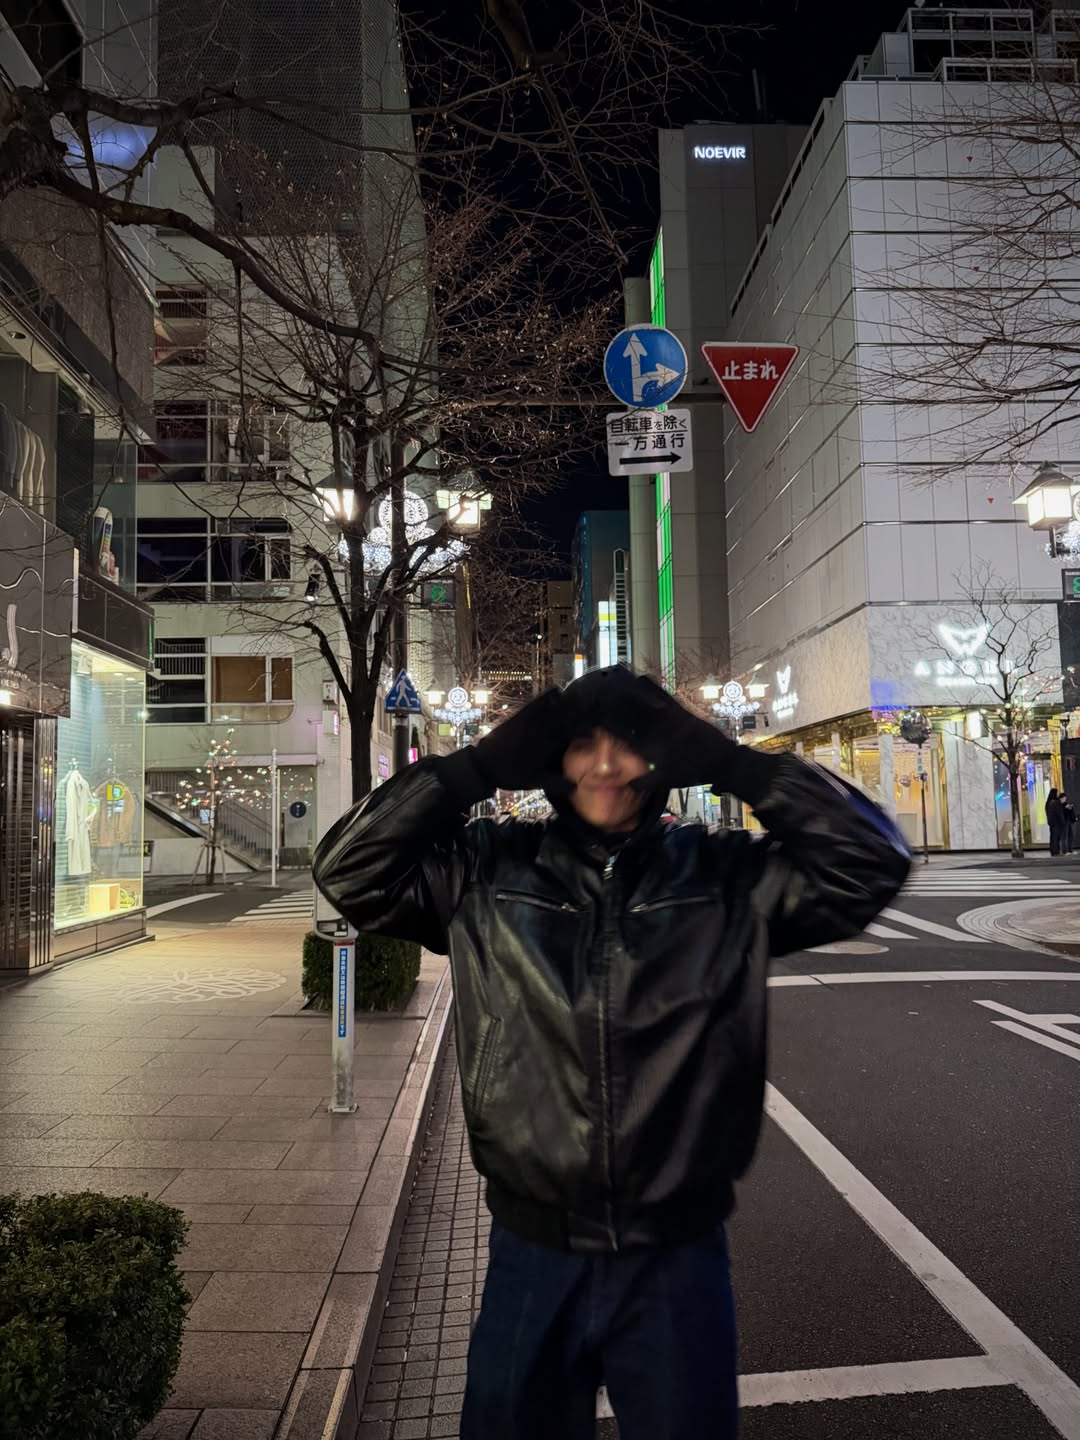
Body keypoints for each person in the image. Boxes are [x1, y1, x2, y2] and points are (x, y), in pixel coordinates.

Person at [313, 667, 910, 1440]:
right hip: (532, 1253)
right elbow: (349, 869)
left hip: (676, 1258)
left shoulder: (724, 874)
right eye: (581, 745)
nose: (604, 765)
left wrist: (737, 763)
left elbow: (870, 863)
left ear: (664, 759)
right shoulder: (488, 868)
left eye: (628, 744)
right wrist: (472, 770)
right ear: (550, 760)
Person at [1046, 788, 1065, 856]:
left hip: (1051, 822)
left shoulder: (1048, 802)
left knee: (1052, 837)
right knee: (1056, 837)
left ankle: (1053, 850)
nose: (1057, 794)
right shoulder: (1056, 802)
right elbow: (1059, 813)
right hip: (1057, 822)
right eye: (1057, 793)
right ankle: (1056, 851)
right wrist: (1062, 821)